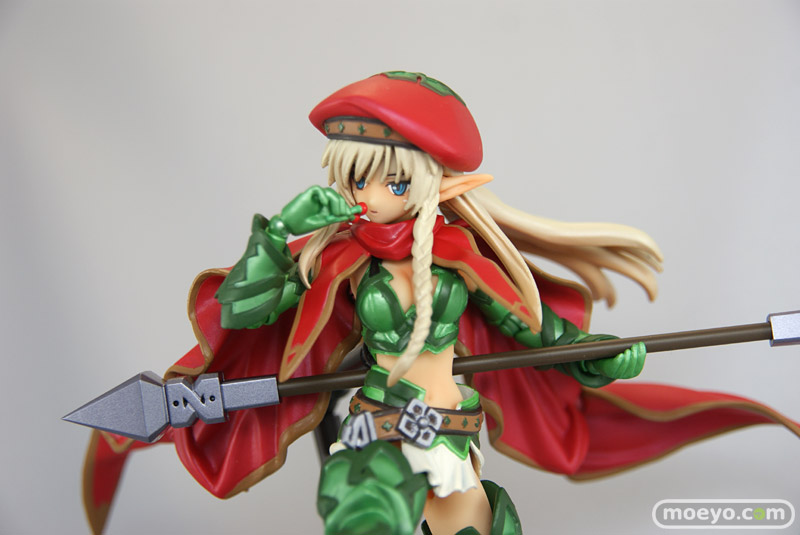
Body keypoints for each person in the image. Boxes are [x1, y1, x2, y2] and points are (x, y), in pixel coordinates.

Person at [82, 72, 799, 535]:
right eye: (355, 181)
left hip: (453, 431)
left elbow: (529, 326)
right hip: (376, 432)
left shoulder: (457, 254)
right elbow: (244, 310)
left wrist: (596, 357)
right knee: (366, 515)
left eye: (389, 182)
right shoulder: (336, 254)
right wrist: (280, 233)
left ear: (429, 181)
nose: (368, 197)